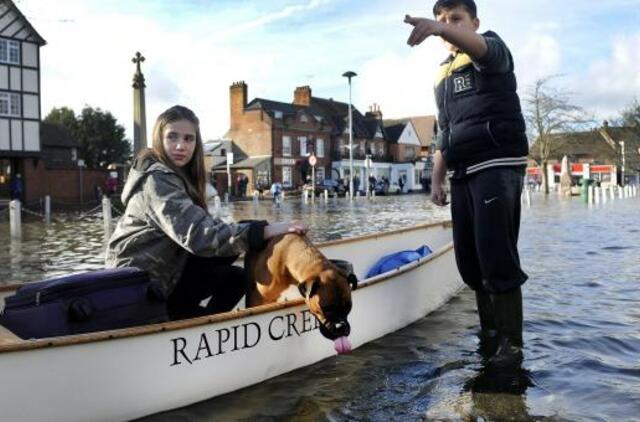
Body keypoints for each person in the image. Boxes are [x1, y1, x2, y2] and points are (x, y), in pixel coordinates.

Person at [405, 0, 529, 363]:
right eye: (442, 19)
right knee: (470, 263)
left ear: (474, 22)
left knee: (496, 255)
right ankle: (489, 331)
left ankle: (512, 345)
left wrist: (440, 28)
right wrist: (436, 180)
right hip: (461, 173)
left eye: (455, 19)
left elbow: (483, 49)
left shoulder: (491, 48)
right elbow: (444, 131)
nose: (447, 25)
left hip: (495, 163)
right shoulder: (442, 76)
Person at [105, 105, 305, 320]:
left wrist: (260, 230)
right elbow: (200, 236)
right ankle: (188, 325)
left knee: (236, 278)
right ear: (158, 139)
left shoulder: (180, 177)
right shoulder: (157, 180)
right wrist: (264, 230)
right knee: (238, 242)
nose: (181, 145)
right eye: (172, 137)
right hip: (137, 283)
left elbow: (209, 226)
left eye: (189, 139)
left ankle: (200, 325)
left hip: (168, 272)